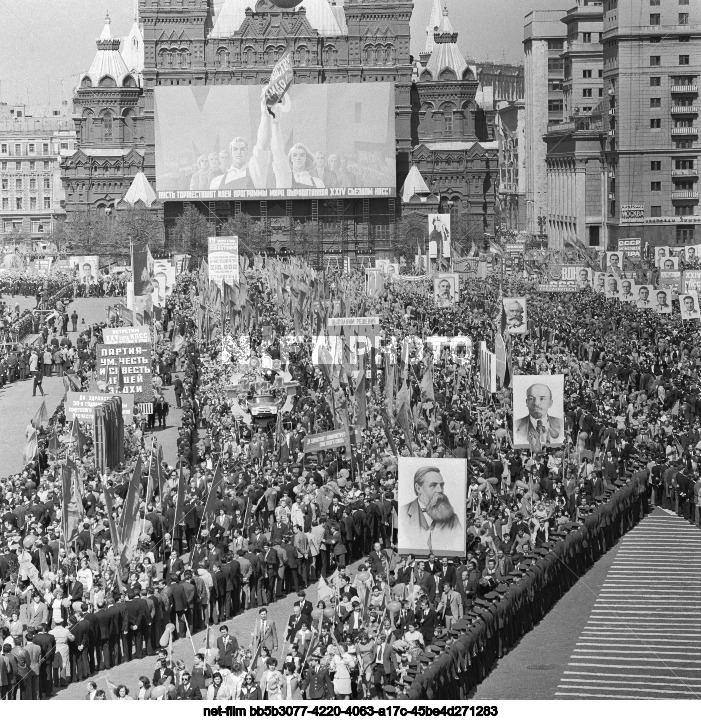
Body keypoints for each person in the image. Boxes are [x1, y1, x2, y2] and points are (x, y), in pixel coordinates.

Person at [398, 466, 463, 553]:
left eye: (441, 485)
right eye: (433, 485)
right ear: (418, 488)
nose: (440, 490)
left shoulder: (452, 519)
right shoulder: (403, 513)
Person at [514, 382, 563, 447]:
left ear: (550, 403)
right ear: (527, 402)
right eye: (531, 398)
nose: (536, 403)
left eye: (542, 398)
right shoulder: (516, 425)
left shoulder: (561, 424)